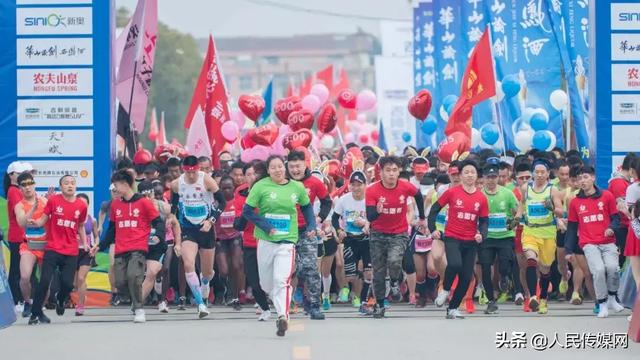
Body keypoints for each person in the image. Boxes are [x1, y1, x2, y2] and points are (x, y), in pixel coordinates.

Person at [242, 155, 317, 337]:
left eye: (280, 167)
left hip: (287, 240)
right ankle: (279, 307)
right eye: (273, 167)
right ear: (268, 170)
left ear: (284, 168)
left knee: (281, 280)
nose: (278, 170)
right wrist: (267, 227)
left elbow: (307, 207)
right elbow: (247, 211)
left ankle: (283, 316)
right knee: (267, 284)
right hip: (266, 241)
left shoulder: (296, 187)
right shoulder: (261, 186)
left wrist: (312, 226)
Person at [96, 171, 165, 323]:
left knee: (134, 276)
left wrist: (158, 236)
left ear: (125, 185)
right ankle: (134, 299)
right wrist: (100, 246)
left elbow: (158, 222)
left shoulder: (144, 202)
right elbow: (112, 230)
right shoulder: (115, 205)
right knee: (120, 282)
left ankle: (139, 309)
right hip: (121, 248)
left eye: (116, 185)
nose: (114, 188)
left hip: (138, 248)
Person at [365, 155, 426, 318]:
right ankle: (379, 304)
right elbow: (370, 217)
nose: (391, 174)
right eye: (388, 170)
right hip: (377, 234)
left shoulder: (406, 187)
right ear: (381, 172)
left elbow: (419, 196)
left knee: (394, 260)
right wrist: (377, 211)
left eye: (394, 170)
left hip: (399, 233)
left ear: (399, 172)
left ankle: (394, 282)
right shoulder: (372, 190)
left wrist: (422, 218)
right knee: (378, 272)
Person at [428, 160, 488, 319]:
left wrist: (481, 234)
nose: (469, 175)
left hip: (471, 241)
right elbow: (434, 210)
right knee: (454, 264)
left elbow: (484, 221)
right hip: (453, 237)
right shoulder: (452, 192)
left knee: (467, 277)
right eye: (466, 172)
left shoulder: (481, 198)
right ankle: (445, 291)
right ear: (460, 175)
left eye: (472, 172)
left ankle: (452, 308)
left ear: (477, 176)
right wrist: (433, 229)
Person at [565, 165, 625, 318]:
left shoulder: (607, 196)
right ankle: (602, 303)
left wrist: (611, 228)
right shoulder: (575, 202)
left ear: (593, 178)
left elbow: (616, 219)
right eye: (579, 179)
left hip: (608, 241)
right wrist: (568, 250)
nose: (582, 181)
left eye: (585, 177)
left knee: (612, 268)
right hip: (588, 243)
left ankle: (612, 297)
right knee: (597, 270)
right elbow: (572, 228)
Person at [28, 175, 88, 325]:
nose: (70, 185)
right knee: (44, 281)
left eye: (73, 183)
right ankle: (35, 314)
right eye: (66, 183)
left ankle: (61, 299)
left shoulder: (81, 205)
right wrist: (36, 223)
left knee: (68, 284)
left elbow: (80, 226)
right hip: (53, 248)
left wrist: (85, 243)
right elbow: (44, 218)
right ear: (61, 186)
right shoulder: (54, 200)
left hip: (71, 250)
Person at [170, 155, 225, 318]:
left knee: (207, 272)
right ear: (183, 170)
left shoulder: (206, 180)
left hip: (206, 228)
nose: (192, 176)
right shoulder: (176, 184)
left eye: (194, 172)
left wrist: (211, 220)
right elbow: (174, 205)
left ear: (198, 169)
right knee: (188, 264)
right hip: (188, 229)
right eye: (188, 173)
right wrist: (172, 216)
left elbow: (222, 203)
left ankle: (206, 282)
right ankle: (200, 304)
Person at [286, 150, 332, 320]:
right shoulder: (282, 182)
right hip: (285, 232)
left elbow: (327, 202)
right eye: (292, 166)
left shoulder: (314, 182)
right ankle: (285, 304)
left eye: (298, 166)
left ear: (305, 165)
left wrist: (318, 219)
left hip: (307, 230)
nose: (295, 170)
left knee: (311, 268)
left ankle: (314, 305)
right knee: (288, 269)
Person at [518, 158, 564, 314]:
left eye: (542, 172)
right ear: (532, 173)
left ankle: (543, 298)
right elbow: (521, 205)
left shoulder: (553, 190)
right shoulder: (526, 188)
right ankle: (532, 297)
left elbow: (560, 211)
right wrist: (516, 219)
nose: (539, 175)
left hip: (548, 233)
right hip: (530, 231)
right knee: (531, 259)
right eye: (536, 172)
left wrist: (551, 207)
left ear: (548, 173)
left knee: (545, 269)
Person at [479, 164, 519, 314]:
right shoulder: (478, 195)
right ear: (483, 178)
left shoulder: (507, 193)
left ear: (499, 178)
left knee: (504, 265)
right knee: (485, 268)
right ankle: (491, 300)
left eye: (494, 177)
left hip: (505, 236)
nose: (491, 180)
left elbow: (518, 210)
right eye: (488, 177)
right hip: (486, 237)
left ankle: (504, 277)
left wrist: (514, 223)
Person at [234, 161, 271, 321]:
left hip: (269, 240)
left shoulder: (269, 190)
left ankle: (281, 304)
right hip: (250, 242)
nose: (252, 177)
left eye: (255, 174)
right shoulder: (240, 192)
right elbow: (239, 223)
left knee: (271, 279)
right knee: (254, 280)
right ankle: (265, 308)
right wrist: (247, 208)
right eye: (248, 174)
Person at [333, 170, 371, 313]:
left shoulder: (370, 199)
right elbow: (335, 218)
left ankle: (363, 301)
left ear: (365, 185)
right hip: (350, 240)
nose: (356, 188)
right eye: (353, 185)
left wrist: (366, 223)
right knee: (350, 276)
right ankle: (349, 290)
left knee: (368, 272)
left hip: (366, 240)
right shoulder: (344, 200)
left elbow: (376, 217)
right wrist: (339, 231)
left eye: (359, 185)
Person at [13, 172, 47, 318]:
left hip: (46, 246)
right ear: (20, 188)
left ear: (34, 184)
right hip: (29, 246)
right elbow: (21, 222)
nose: (27, 188)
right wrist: (33, 209)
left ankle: (39, 308)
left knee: (46, 281)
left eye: (29, 183)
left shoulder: (45, 201)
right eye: (24, 185)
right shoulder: (19, 205)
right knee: (25, 276)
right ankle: (27, 302)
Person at [136, 181, 171, 312]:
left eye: (149, 194)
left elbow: (174, 224)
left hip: (157, 245)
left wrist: (177, 243)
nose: (147, 198)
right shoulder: (134, 207)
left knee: (152, 273)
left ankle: (139, 304)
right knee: (135, 275)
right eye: (143, 195)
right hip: (139, 244)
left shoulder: (163, 207)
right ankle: (138, 300)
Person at [214, 176, 245, 310]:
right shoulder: (216, 204)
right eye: (223, 188)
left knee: (237, 266)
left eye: (229, 188)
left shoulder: (238, 202)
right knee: (224, 270)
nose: (226, 191)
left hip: (235, 237)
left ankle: (236, 296)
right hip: (220, 239)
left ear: (234, 188)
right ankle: (227, 289)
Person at [4, 161, 28, 310]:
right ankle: (16, 300)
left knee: (22, 270)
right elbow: (20, 212)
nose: (21, 177)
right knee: (16, 270)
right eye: (19, 174)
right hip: (17, 235)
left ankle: (21, 299)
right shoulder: (13, 191)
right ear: (11, 175)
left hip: (23, 234)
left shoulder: (18, 190)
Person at [74, 193, 98, 316]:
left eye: (85, 203)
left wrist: (95, 246)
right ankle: (81, 298)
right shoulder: (70, 218)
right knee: (74, 282)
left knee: (81, 278)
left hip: (86, 252)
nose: (82, 205)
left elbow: (96, 236)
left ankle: (80, 305)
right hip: (72, 252)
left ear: (88, 205)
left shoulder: (92, 220)